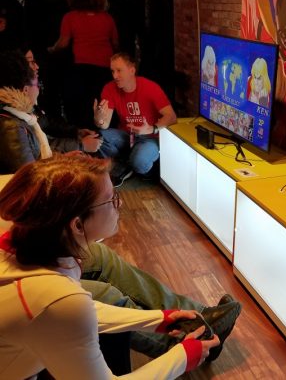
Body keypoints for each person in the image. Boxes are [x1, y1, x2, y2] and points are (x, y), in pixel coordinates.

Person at [0, 49, 242, 362]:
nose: (39, 83)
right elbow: (34, 189)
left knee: (102, 256)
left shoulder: (25, 119)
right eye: (111, 200)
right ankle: (182, 345)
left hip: (30, 243)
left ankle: (197, 316)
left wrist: (78, 144)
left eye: (118, 70)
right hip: (24, 258)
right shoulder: (12, 126)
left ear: (131, 69)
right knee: (109, 295)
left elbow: (43, 155)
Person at [0, 154, 221, 378]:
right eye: (111, 199)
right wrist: (183, 357)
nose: (120, 203)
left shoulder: (26, 248)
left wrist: (158, 319)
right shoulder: (56, 300)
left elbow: (86, 309)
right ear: (78, 225)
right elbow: (70, 309)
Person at [95, 52, 177, 185]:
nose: (115, 76)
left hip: (150, 137)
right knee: (99, 137)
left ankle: (136, 165)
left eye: (119, 71)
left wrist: (151, 128)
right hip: (127, 135)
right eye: (113, 71)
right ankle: (123, 167)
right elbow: (104, 125)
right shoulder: (110, 88)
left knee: (139, 162)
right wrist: (98, 118)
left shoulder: (150, 87)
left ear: (132, 70)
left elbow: (171, 117)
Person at [49, 0, 118, 128]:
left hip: (81, 67)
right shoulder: (107, 18)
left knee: (82, 105)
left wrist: (51, 49)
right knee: (103, 103)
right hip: (105, 66)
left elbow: (63, 43)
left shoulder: (70, 17)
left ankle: (85, 134)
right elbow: (115, 43)